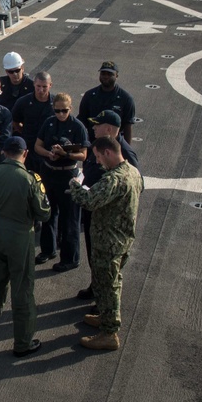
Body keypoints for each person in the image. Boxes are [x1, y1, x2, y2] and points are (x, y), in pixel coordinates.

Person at [0, 137, 51, 357]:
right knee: (23, 289)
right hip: (20, 239)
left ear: (4, 152)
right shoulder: (30, 179)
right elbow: (43, 213)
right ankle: (23, 342)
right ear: (25, 154)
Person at [69, 137, 144, 351]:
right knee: (110, 281)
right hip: (122, 238)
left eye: (100, 157)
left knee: (108, 284)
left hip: (108, 241)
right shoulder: (132, 171)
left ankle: (109, 333)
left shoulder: (113, 179)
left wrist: (75, 185)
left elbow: (90, 200)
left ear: (108, 153)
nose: (99, 161)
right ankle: (105, 316)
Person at [77, 110, 141, 302]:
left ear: (109, 129)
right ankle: (96, 285)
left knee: (108, 267)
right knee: (94, 255)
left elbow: (136, 185)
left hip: (110, 222)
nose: (93, 128)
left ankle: (103, 304)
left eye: (97, 125)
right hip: (96, 214)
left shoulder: (125, 153)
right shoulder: (99, 146)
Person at [34, 93, 89, 271]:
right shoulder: (49, 123)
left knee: (70, 218)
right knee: (48, 214)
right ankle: (48, 250)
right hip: (49, 173)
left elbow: (83, 154)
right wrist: (49, 154)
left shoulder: (78, 126)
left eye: (64, 111)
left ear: (70, 109)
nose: (60, 114)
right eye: (57, 110)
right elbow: (37, 146)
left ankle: (71, 257)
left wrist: (65, 154)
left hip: (68, 175)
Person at [78, 61, 136, 144]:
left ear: (116, 76)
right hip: (93, 143)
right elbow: (82, 121)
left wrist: (126, 149)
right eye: (103, 73)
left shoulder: (126, 99)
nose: (105, 76)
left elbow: (128, 126)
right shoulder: (89, 95)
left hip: (114, 145)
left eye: (109, 74)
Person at [11, 71, 54, 172]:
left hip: (48, 149)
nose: (41, 90)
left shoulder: (56, 103)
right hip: (29, 149)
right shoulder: (23, 102)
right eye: (38, 86)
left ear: (50, 85)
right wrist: (24, 132)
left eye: (44, 86)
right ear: (34, 84)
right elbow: (15, 121)